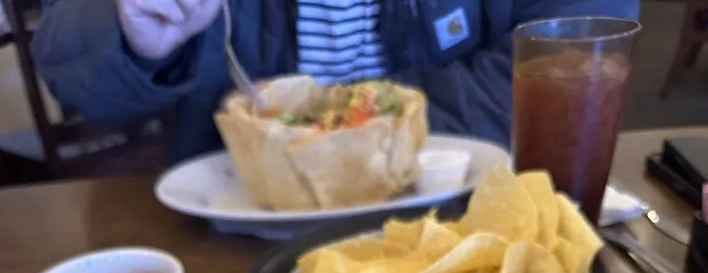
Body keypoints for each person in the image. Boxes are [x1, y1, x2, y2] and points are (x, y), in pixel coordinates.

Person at [32, 0, 639, 164]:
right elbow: (70, 64)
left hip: (463, 218)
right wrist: (126, 27)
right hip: (237, 236)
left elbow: (573, 65)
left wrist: (342, 130)